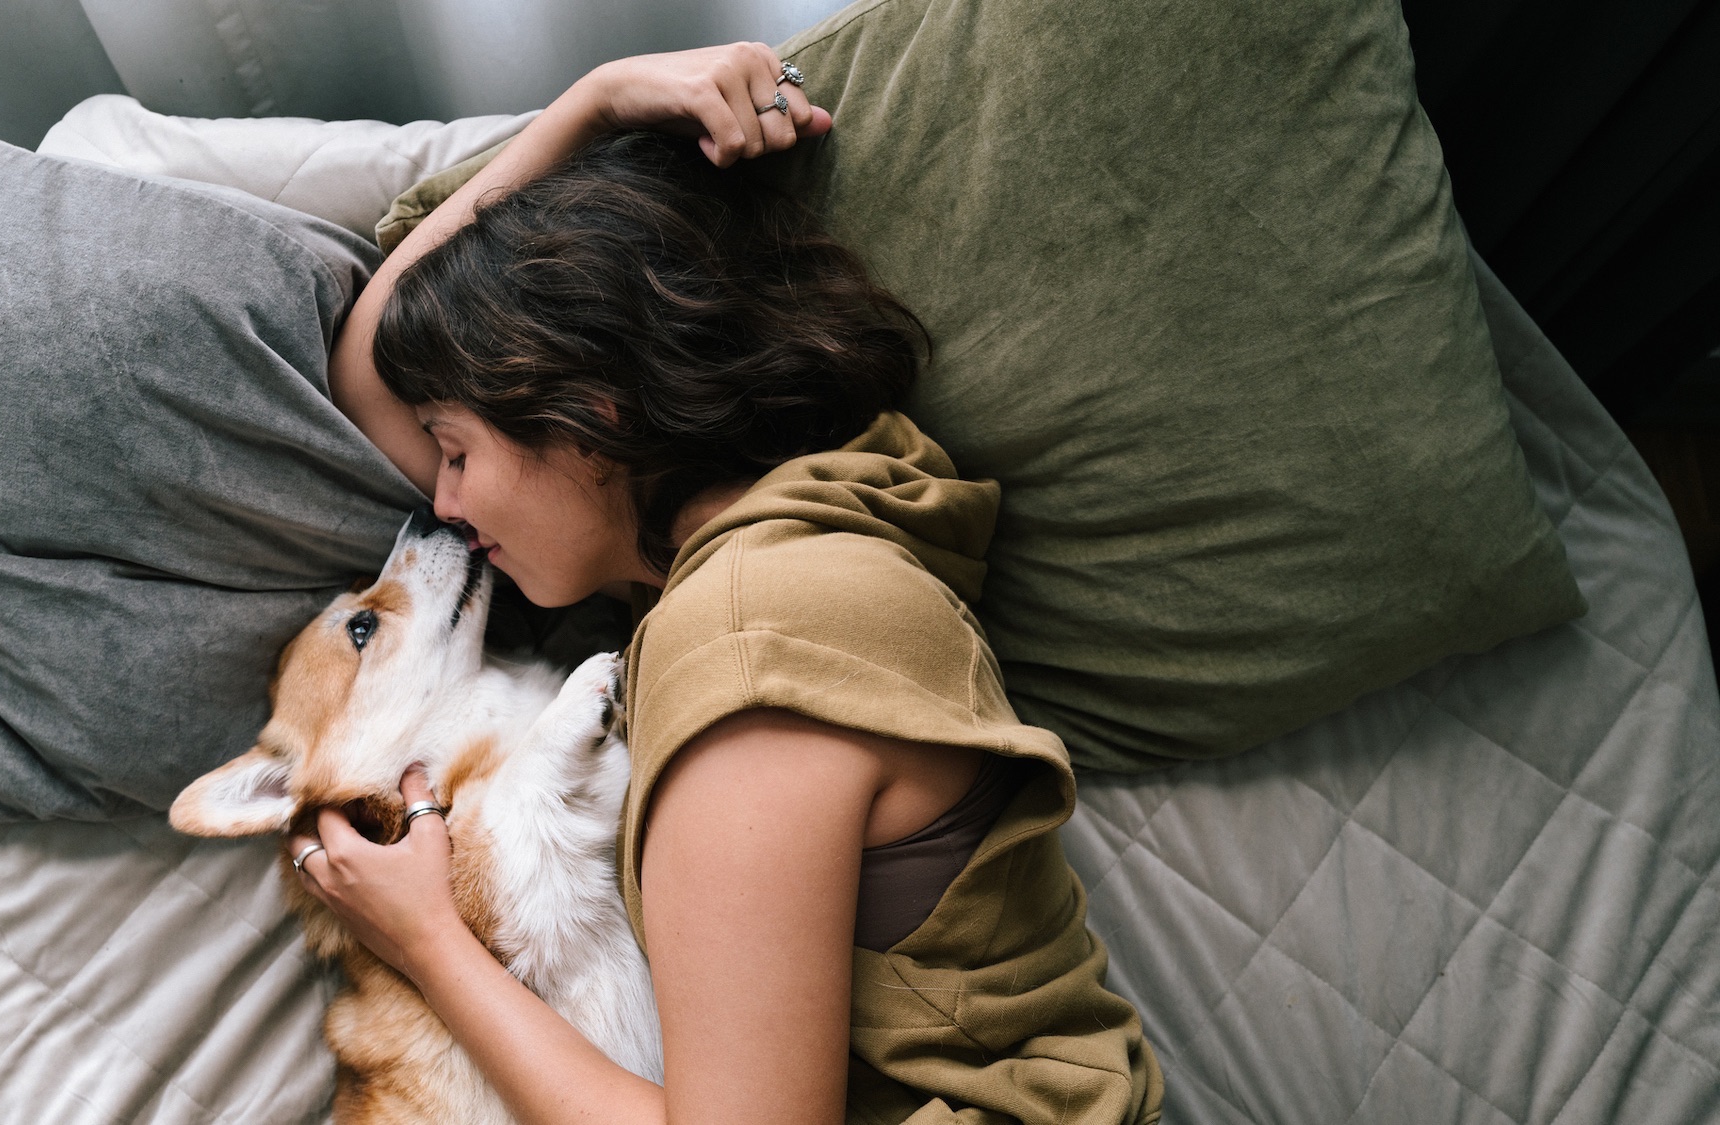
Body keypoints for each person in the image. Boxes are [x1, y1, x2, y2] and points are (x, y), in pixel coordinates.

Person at [288, 42, 1163, 1125]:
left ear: (588, 415)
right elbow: (371, 377)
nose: (445, 503)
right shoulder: (824, 504)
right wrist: (594, 102)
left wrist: (426, 940)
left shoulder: (748, 647)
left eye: (455, 450)